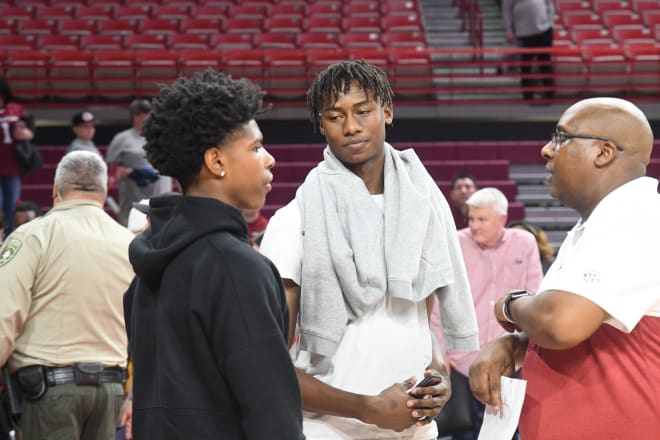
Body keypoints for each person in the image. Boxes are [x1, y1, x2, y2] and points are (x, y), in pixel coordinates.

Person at [259, 59, 479, 439]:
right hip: (328, 431)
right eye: (335, 116)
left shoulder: (422, 207)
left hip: (413, 431)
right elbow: (269, 367)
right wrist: (366, 408)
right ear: (321, 126)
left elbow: (420, 329)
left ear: (387, 111)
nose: (352, 127)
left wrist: (438, 377)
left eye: (363, 111)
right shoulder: (294, 220)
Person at [123, 69, 305, 439]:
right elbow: (272, 415)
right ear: (216, 162)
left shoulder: (147, 268)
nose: (269, 159)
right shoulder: (238, 268)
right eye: (255, 148)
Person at [469, 97, 660, 439]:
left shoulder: (637, 216)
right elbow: (591, 332)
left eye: (561, 137)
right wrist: (516, 346)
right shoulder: (600, 223)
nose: (546, 150)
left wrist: (510, 304)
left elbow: (560, 323)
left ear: (603, 152)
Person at [0, 150, 135, 440]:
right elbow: (149, 328)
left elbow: (4, 315)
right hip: (111, 387)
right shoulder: (130, 243)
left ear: (55, 189)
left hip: (49, 391)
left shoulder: (33, 235)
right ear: (103, 190)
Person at [436, 187, 543, 439]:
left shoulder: (524, 243)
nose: (474, 225)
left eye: (481, 219)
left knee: (508, 431)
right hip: (461, 359)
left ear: (502, 219)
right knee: (463, 432)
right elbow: (438, 301)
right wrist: (441, 353)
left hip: (508, 358)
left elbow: (535, 295)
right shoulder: (455, 242)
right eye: (471, 218)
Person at [105, 98, 172, 226]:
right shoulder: (122, 139)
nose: (145, 118)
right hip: (134, 203)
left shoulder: (164, 137)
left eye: (148, 114)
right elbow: (110, 173)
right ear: (134, 116)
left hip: (162, 203)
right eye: (141, 115)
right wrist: (133, 172)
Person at [0, 78, 35, 235]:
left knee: (12, 205)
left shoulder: (16, 110)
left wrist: (25, 134)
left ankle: (8, 237)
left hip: (12, 166)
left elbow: (31, 132)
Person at [502, 0, 555, 101]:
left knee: (545, 65)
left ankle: (549, 95)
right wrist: (508, 30)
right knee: (526, 66)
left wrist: (551, 22)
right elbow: (506, 10)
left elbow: (549, 4)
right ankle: (528, 96)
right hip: (523, 33)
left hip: (544, 30)